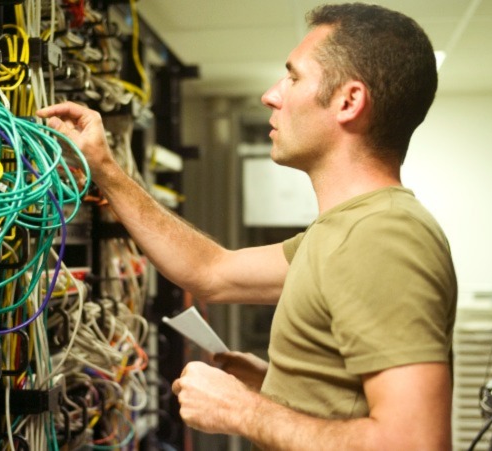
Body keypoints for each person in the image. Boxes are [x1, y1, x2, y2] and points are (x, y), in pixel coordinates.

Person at [37, 2, 457, 449]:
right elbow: (212, 272)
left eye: (293, 77)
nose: (272, 95)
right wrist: (278, 390)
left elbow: (415, 441)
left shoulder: (381, 237)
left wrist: (243, 410)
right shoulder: (342, 232)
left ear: (349, 101)